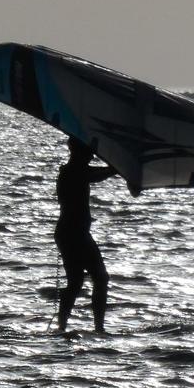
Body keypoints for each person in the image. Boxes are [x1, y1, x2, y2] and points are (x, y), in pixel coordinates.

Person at [55, 137, 118, 334]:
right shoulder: (73, 172)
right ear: (78, 152)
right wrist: (117, 166)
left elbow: (99, 172)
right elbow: (99, 175)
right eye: (89, 152)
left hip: (75, 233)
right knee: (96, 278)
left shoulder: (76, 169)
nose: (92, 155)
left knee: (83, 281)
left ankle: (68, 326)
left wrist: (113, 166)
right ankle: (93, 327)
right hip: (72, 234)